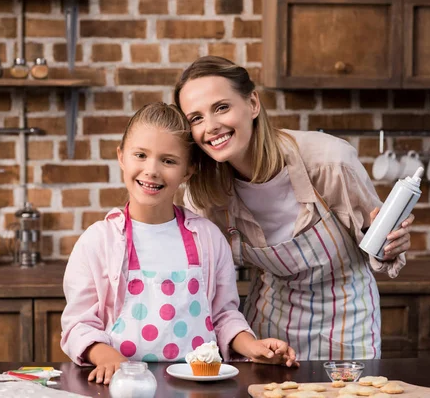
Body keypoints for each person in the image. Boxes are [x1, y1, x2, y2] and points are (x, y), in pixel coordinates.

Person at [173, 56, 415, 361]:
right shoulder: (206, 197)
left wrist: (390, 245)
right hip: (268, 325)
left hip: (348, 322)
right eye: (196, 118)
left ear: (253, 104)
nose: (211, 126)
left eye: (222, 107)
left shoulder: (330, 161)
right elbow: (212, 285)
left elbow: (378, 242)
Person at [60, 102, 298, 385]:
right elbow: (78, 325)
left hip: (197, 388)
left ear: (187, 171)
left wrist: (252, 346)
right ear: (121, 157)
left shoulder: (208, 239)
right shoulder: (98, 241)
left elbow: (223, 315)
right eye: (140, 155)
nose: (152, 170)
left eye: (169, 161)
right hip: (125, 386)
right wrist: (107, 357)